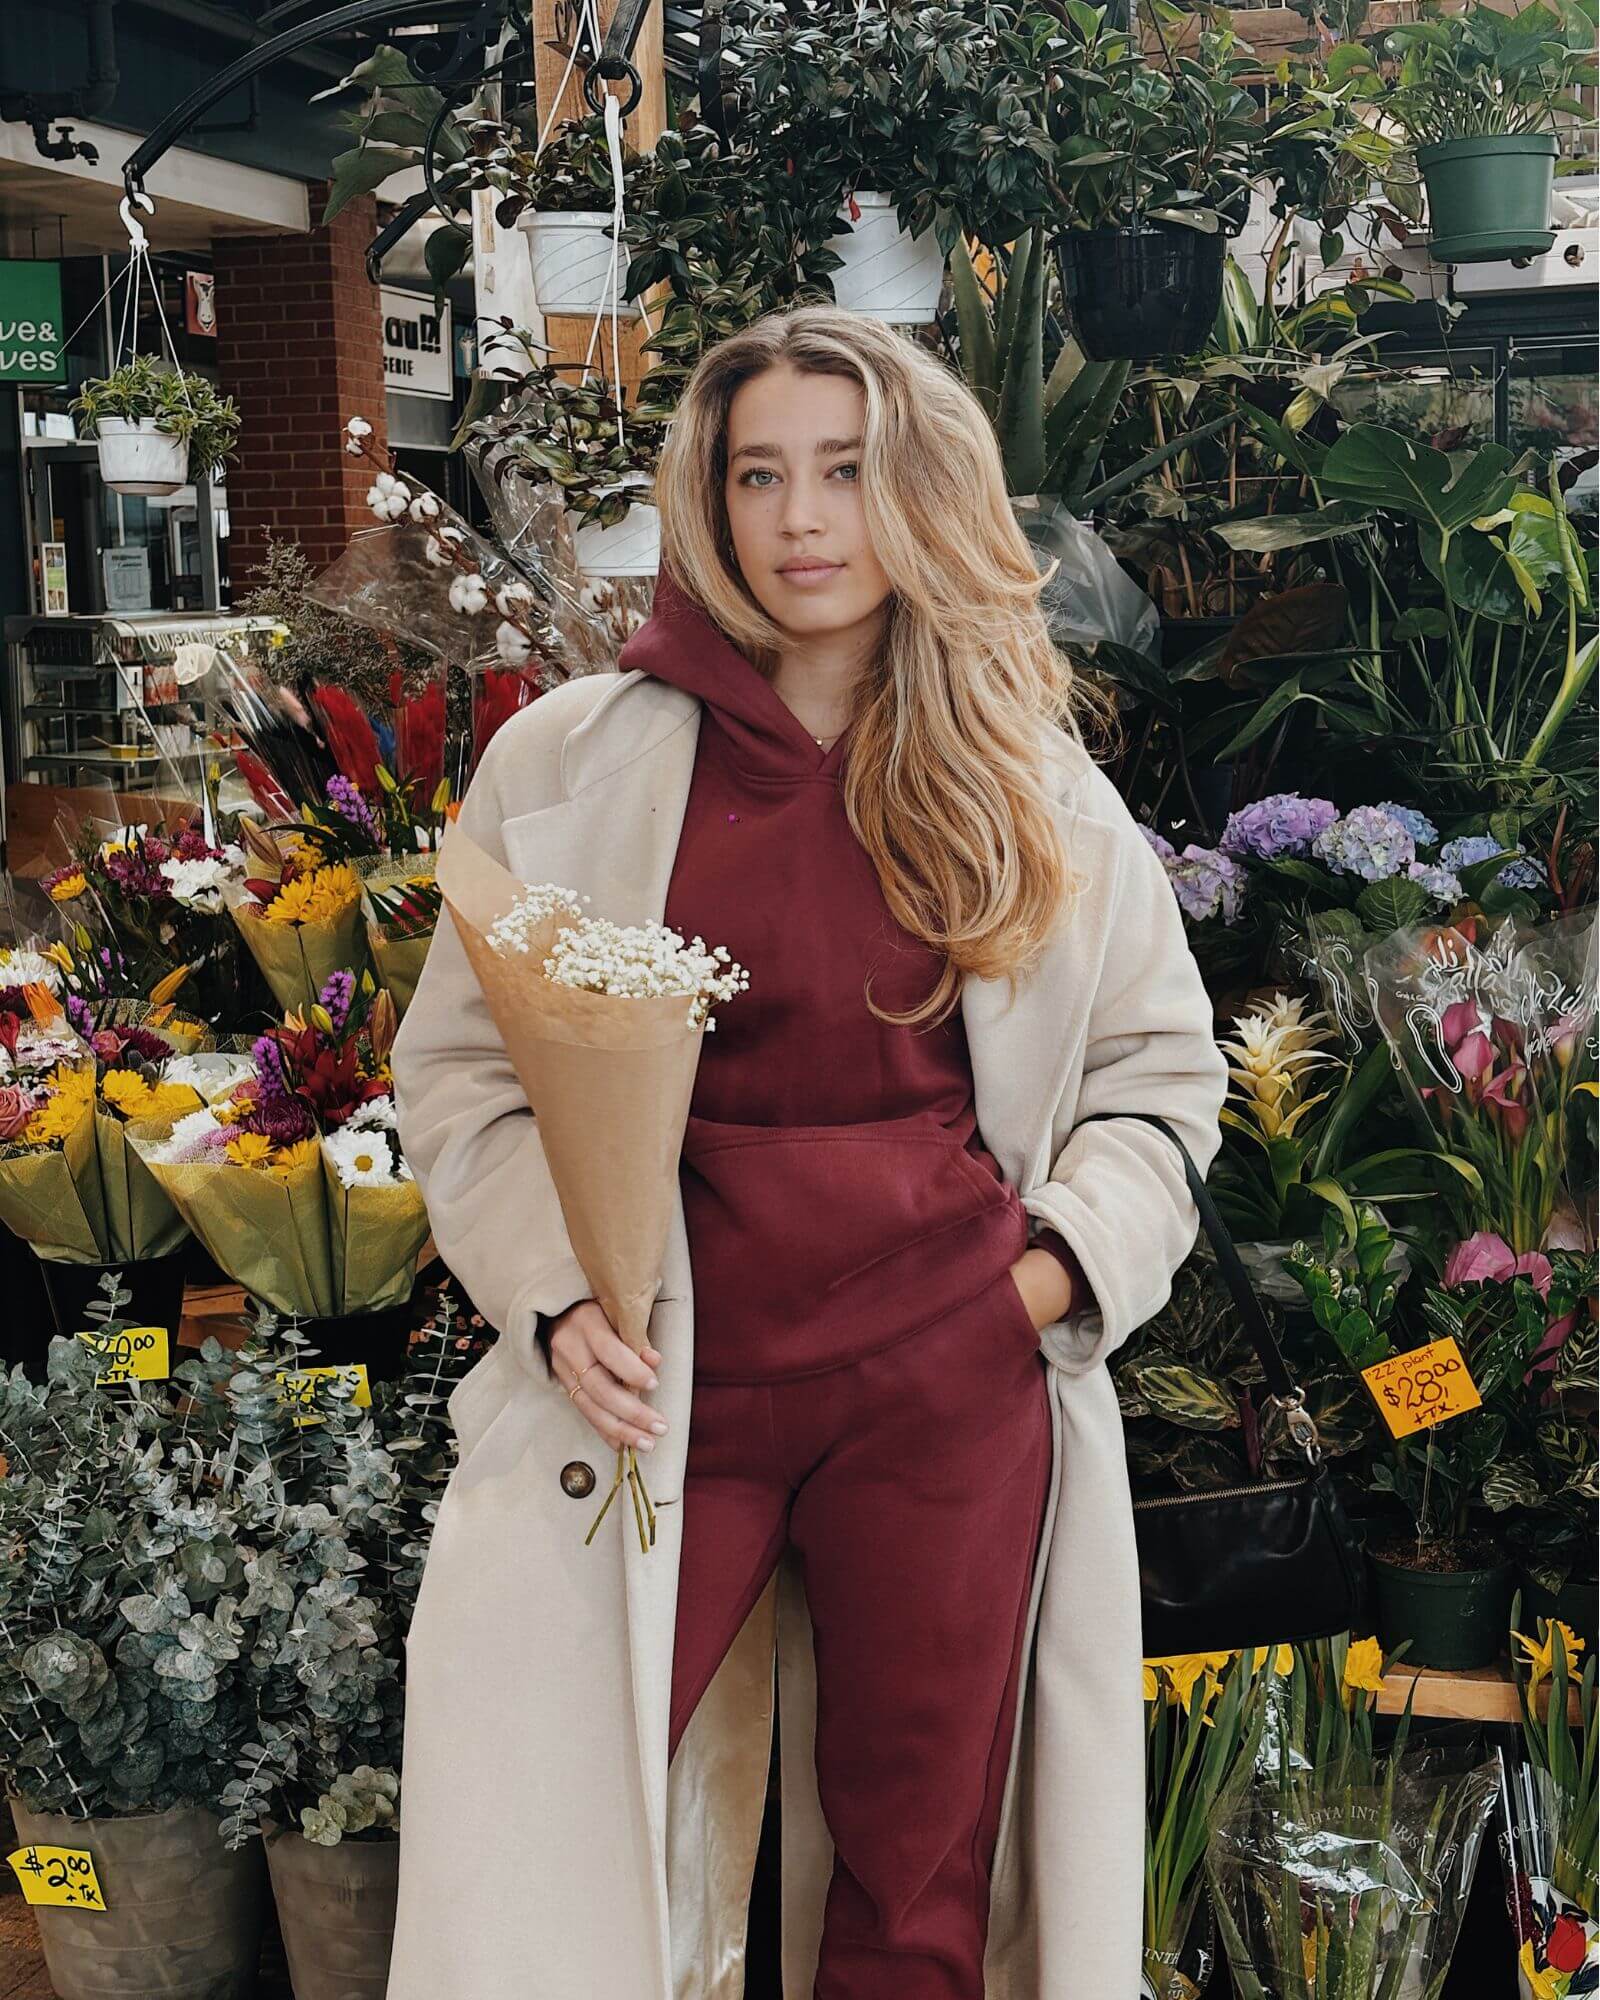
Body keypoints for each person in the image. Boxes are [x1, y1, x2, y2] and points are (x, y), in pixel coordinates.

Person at [387, 305, 1227, 2000]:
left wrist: (1040, 1281)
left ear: (916, 489)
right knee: (575, 1844)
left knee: (925, 1863)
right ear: (710, 496)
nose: (799, 520)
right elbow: (463, 1077)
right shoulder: (565, 761)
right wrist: (554, 1294)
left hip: (946, 1376)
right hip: (660, 1376)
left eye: (843, 473)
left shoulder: (1026, 783)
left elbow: (1159, 1076)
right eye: (757, 473)